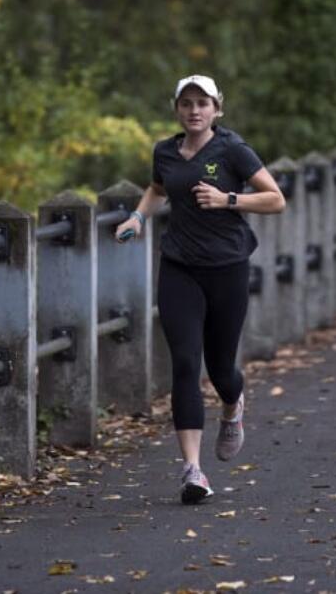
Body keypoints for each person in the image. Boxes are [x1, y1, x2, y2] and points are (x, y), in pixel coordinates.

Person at [115, 74, 286, 505]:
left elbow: (275, 198)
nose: (194, 110)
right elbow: (157, 189)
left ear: (217, 109)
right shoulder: (165, 151)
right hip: (179, 268)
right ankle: (193, 470)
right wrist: (139, 217)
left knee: (221, 369)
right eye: (186, 103)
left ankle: (233, 405)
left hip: (227, 267)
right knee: (186, 364)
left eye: (202, 103)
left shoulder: (232, 149)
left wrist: (229, 199)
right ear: (176, 108)